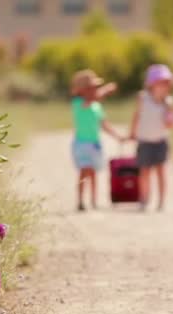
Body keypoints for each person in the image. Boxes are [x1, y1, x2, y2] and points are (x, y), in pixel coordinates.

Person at [70, 69, 125, 212]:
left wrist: (117, 136)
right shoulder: (78, 103)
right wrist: (105, 91)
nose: (94, 90)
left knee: (94, 172)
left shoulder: (97, 106)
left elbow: (103, 124)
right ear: (82, 90)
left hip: (95, 144)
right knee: (84, 170)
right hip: (82, 144)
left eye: (95, 88)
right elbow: (88, 101)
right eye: (91, 88)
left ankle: (93, 201)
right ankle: (81, 200)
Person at [130, 64, 173, 211]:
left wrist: (169, 115)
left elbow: (170, 124)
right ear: (152, 85)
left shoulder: (169, 102)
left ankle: (161, 201)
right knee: (144, 172)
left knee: (161, 172)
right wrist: (133, 131)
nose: (164, 87)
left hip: (160, 142)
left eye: (166, 84)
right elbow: (137, 115)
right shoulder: (143, 98)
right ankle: (144, 199)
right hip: (145, 141)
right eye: (161, 83)